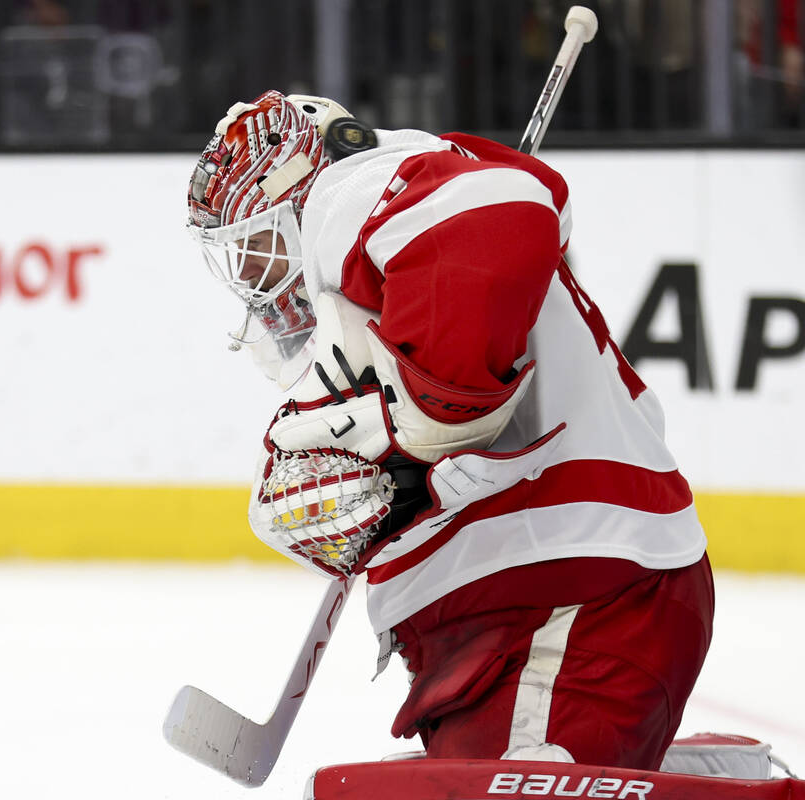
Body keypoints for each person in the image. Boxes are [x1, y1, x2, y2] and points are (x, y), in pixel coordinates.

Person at [185, 90, 713, 769]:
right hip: (518, 613)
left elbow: (505, 206)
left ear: (298, 194)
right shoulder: (377, 252)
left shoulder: (353, 191)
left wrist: (414, 425)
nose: (255, 277)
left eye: (257, 245)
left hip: (577, 604)